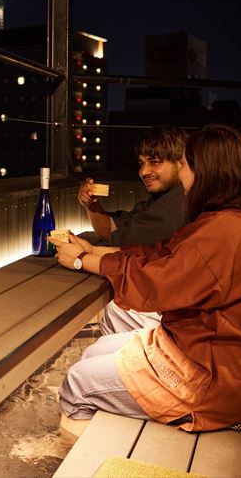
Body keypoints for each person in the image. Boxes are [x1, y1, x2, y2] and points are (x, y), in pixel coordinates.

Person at [48, 124, 241, 437]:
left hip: (217, 377)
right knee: (96, 352)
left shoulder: (223, 230)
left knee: (77, 382)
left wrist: (81, 260)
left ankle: (83, 457)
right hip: (215, 355)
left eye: (185, 164)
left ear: (205, 171)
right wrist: (92, 251)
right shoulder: (231, 218)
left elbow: (156, 280)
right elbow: (160, 254)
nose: (183, 176)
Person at [78, 126, 187, 335]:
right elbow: (113, 229)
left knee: (116, 307)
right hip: (175, 305)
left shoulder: (175, 204)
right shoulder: (163, 198)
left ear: (181, 163)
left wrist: (81, 257)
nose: (144, 171)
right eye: (141, 163)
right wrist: (92, 206)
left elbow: (119, 245)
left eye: (155, 162)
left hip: (179, 315)